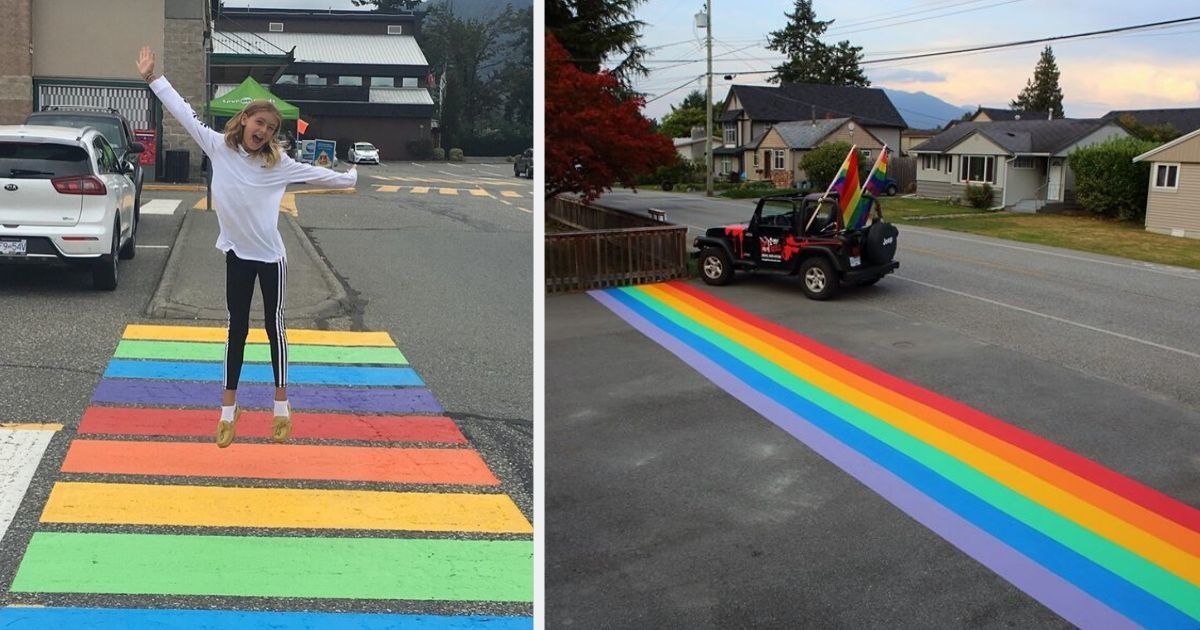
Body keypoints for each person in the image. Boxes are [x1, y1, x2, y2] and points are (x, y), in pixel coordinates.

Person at [137, 46, 357, 448]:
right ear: (244, 120)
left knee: (274, 328)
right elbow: (183, 112)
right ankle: (228, 409)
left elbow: (315, 175)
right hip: (237, 255)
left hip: (271, 258)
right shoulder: (217, 147)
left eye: (271, 128)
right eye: (260, 123)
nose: (265, 131)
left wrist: (350, 178)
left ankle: (281, 405)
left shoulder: (277, 164)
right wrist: (153, 78)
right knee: (235, 329)